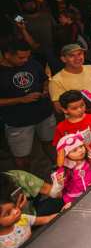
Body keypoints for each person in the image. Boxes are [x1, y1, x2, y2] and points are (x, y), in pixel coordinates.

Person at [0, 40, 56, 172]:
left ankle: (58, 168)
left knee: (51, 143)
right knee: (21, 154)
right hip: (18, 121)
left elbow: (44, 80)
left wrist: (46, 88)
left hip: (44, 114)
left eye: (27, 56)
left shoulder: (33, 63)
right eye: (21, 57)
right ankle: (25, 181)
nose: (25, 60)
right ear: (7, 55)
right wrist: (22, 99)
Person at [49, 43, 91, 134]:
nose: (77, 58)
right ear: (64, 59)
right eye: (72, 56)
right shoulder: (56, 80)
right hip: (80, 126)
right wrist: (87, 110)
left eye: (80, 54)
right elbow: (59, 108)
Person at [53, 90, 91, 171]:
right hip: (79, 165)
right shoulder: (61, 127)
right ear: (65, 110)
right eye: (74, 108)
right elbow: (61, 149)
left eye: (82, 105)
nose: (80, 110)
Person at [0, 181, 61, 248]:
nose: (16, 211)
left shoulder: (23, 219)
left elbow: (47, 219)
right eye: (8, 213)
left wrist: (63, 212)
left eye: (14, 206)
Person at [49, 132, 91, 206]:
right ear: (65, 155)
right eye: (74, 150)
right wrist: (59, 184)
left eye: (81, 146)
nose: (80, 150)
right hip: (76, 203)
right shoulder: (62, 173)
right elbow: (53, 195)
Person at [12, 0, 61, 74]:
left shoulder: (47, 16)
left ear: (36, 4)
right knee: (37, 74)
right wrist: (25, 53)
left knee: (57, 72)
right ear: (22, 7)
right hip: (33, 52)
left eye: (32, 3)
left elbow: (57, 31)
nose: (30, 6)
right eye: (26, 4)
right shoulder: (20, 19)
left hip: (51, 49)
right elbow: (19, 39)